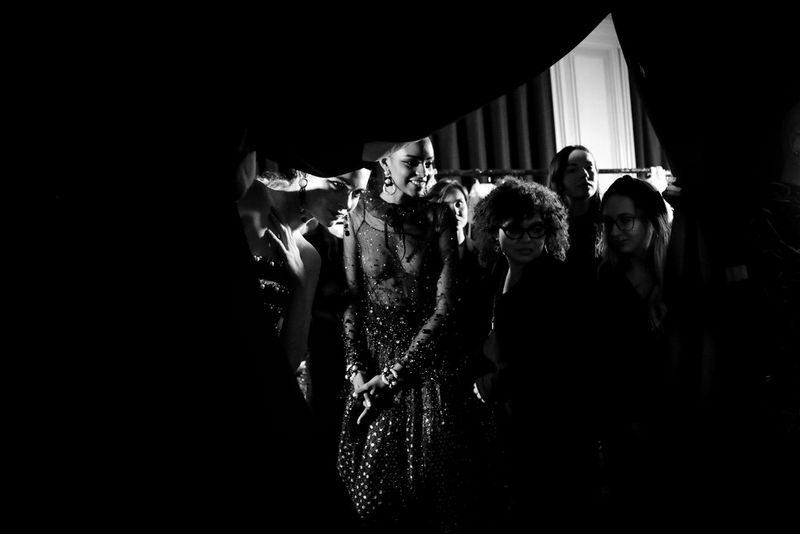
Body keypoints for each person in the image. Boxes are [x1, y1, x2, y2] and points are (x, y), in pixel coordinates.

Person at [337, 137, 474, 532]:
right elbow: (350, 300)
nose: (424, 173)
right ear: (384, 161)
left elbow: (446, 309)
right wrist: (355, 370)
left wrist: (395, 376)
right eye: (413, 163)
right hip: (369, 370)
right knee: (369, 507)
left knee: (431, 503)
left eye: (429, 164)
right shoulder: (357, 215)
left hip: (426, 372)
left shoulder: (439, 218)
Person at [470, 177, 600, 527]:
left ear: (550, 230)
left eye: (536, 229)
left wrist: (495, 382)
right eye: (514, 230)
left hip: (553, 428)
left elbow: (560, 358)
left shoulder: (562, 282)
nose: (526, 239)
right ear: (495, 230)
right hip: (507, 426)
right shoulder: (492, 276)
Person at [237, 164, 368, 399]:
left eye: (357, 193)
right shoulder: (250, 198)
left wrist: (299, 281)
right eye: (338, 185)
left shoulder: (308, 258)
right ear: (308, 171)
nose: (347, 204)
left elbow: (290, 360)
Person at [594, 174, 672, 522]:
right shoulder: (606, 278)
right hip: (624, 425)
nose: (614, 232)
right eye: (608, 223)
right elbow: (603, 359)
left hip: (678, 418)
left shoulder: (677, 271)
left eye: (625, 221)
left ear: (651, 220)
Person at [548, 145, 602, 286]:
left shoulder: (609, 220)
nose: (584, 174)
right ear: (558, 178)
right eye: (572, 170)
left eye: (589, 167)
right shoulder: (548, 225)